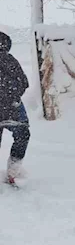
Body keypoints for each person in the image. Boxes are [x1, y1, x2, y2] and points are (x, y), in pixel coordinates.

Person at [0, 31, 30, 185]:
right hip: (13, 108)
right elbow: (24, 83)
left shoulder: (10, 61)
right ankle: (13, 170)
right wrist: (11, 96)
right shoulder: (11, 61)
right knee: (23, 134)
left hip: (10, 106)